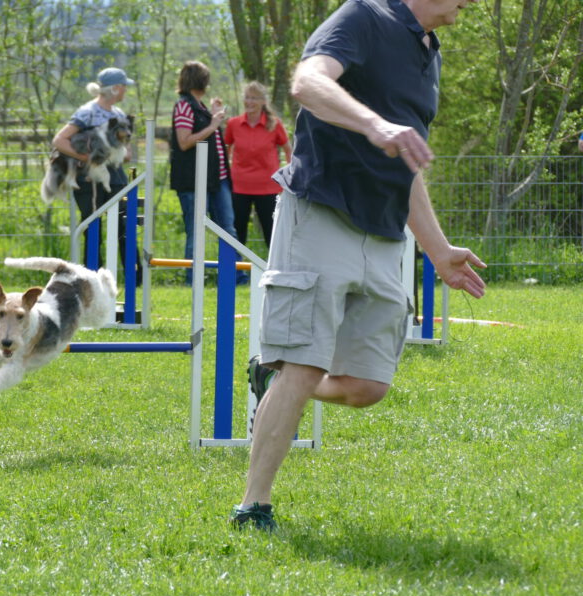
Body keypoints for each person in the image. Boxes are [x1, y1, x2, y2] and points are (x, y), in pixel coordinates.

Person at [231, 0, 487, 531]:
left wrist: (438, 250)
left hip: (385, 232)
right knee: (304, 363)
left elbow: (407, 165)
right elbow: (307, 82)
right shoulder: (364, 17)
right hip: (321, 210)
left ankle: (270, 377)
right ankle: (253, 506)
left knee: (367, 386)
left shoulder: (429, 54)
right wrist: (375, 125)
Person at [52, 67, 140, 284]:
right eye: (124, 86)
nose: (126, 90)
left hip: (115, 178)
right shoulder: (87, 112)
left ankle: (135, 279)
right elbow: (59, 140)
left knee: (124, 226)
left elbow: (126, 151)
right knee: (93, 228)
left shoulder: (118, 114)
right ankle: (92, 280)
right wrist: (85, 156)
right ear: (115, 88)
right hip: (88, 180)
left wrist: (121, 153)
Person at [168, 61, 237, 284]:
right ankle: (192, 278)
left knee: (227, 228)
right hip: (194, 181)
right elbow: (184, 142)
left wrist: (213, 115)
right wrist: (213, 125)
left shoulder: (199, 106)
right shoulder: (184, 106)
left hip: (217, 179)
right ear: (200, 81)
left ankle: (235, 276)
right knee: (196, 231)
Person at [224, 81, 292, 248]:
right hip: (239, 187)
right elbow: (225, 149)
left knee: (272, 235)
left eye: (254, 98)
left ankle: (274, 265)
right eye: (247, 97)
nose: (249, 102)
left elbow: (288, 150)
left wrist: (289, 178)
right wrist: (226, 175)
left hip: (268, 187)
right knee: (236, 234)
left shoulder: (275, 124)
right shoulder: (233, 124)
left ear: (263, 101)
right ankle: (235, 265)